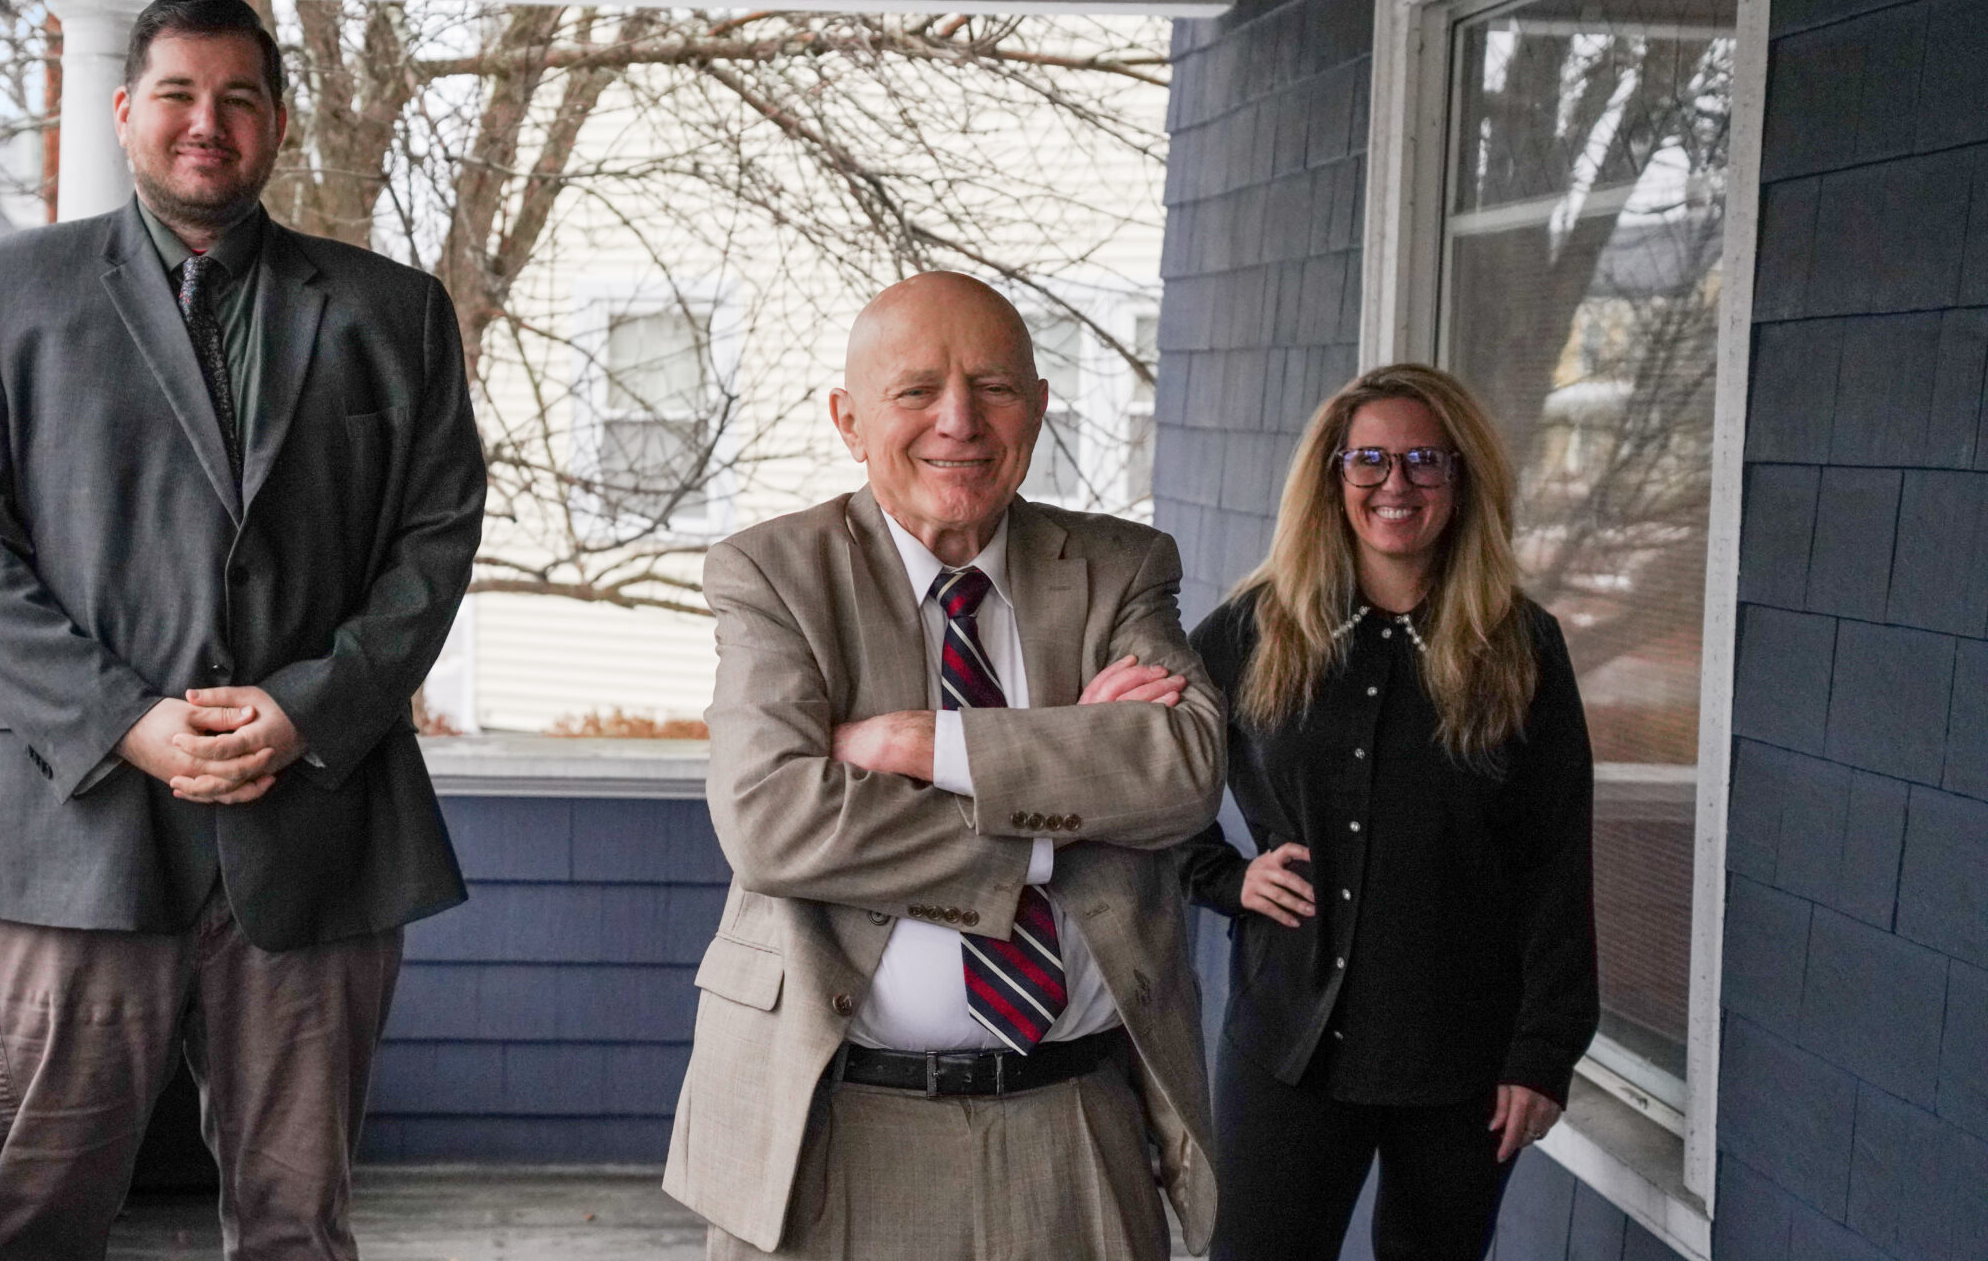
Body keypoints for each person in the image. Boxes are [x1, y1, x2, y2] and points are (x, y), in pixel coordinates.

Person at [0, 0, 486, 1261]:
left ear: (277, 124)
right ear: (124, 112)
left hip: (317, 825)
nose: (205, 124)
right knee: (36, 1219)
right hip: (71, 831)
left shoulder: (394, 314)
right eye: (177, 94)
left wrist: (309, 706)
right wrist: (124, 721)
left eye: (237, 99)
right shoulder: (5, 293)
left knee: (298, 1223)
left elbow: (435, 541)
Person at [663, 271, 1227, 1261]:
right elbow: (772, 821)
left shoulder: (1121, 568)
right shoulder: (775, 575)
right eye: (916, 389)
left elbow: (1179, 771)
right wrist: (1059, 811)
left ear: (1038, 409)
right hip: (842, 1126)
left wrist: (919, 745)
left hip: (1077, 1121)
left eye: (994, 387)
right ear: (848, 419)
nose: (959, 420)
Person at [1172, 363, 1598, 1261]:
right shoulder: (1258, 630)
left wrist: (1543, 1051)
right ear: (1332, 476)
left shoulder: (1521, 647)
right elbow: (1145, 778)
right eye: (1368, 460)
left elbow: (1556, 857)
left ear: (1460, 478)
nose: (1394, 484)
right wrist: (1223, 876)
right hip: (1289, 1041)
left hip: (1464, 1056)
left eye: (1423, 461)